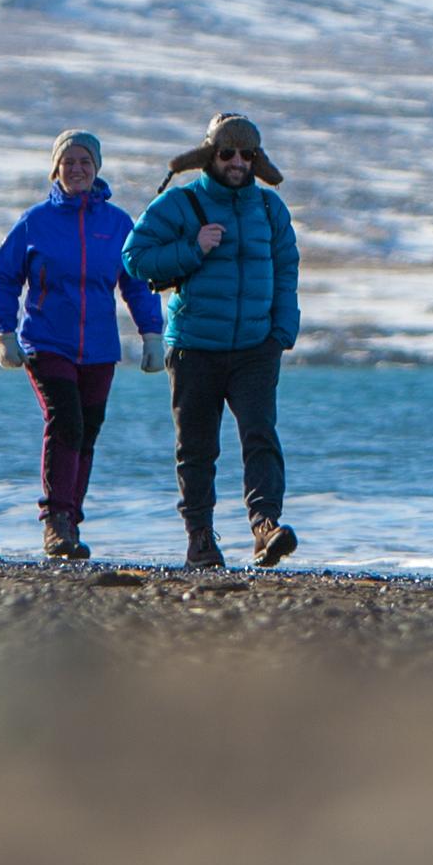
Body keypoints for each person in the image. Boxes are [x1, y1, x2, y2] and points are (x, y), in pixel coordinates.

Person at [131, 113, 303, 572]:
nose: (237, 162)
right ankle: (201, 540)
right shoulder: (182, 204)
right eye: (228, 152)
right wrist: (193, 248)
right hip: (193, 347)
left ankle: (266, 527)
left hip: (255, 347)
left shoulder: (270, 209)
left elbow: (287, 270)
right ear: (211, 155)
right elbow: (135, 257)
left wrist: (281, 333)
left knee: (260, 436)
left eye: (247, 154)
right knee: (197, 448)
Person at [0, 130, 168, 561]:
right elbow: (5, 276)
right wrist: (3, 332)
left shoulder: (118, 224)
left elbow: (137, 284)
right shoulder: (35, 221)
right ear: (56, 169)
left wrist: (151, 334)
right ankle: (56, 521)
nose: (77, 169)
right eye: (68, 162)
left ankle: (72, 520)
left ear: (97, 168)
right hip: (47, 341)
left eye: (85, 161)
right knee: (65, 422)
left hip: (101, 349)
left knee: (87, 432)